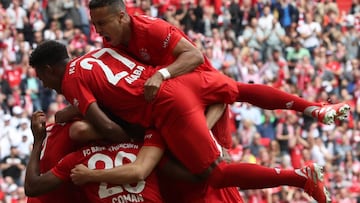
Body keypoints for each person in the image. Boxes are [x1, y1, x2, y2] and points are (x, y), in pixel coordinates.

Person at [29, 41, 349, 203]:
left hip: (165, 112)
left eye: (101, 24)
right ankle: (312, 108)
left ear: (47, 69)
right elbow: (193, 57)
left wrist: (130, 141)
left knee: (214, 173)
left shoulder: (77, 94)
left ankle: (299, 176)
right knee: (236, 91)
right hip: (178, 86)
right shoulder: (109, 51)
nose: (99, 32)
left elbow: (112, 136)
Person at [25, 111, 164, 202]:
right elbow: (32, 188)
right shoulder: (144, 146)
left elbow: (138, 171)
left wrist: (91, 175)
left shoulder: (79, 163)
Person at [26, 115, 94, 203]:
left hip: (41, 195)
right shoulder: (79, 130)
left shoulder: (48, 127)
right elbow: (31, 187)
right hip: (52, 194)